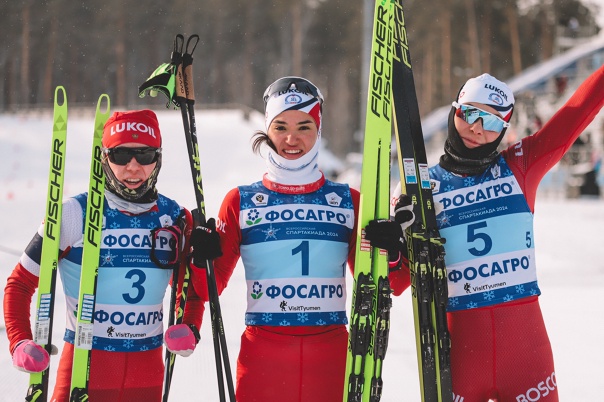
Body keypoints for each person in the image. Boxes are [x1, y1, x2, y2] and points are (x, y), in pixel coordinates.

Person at [379, 66, 604, 401]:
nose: (477, 129)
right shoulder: (420, 189)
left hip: (527, 358)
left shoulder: (520, 166)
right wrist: (392, 250)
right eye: (470, 114)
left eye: (492, 122)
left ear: (504, 130)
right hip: (462, 358)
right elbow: (397, 283)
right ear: (455, 111)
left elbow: (577, 112)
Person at [189, 76, 410, 402]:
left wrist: (392, 253)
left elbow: (395, 284)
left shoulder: (349, 201)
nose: (291, 138)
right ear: (267, 130)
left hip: (331, 359)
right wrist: (200, 257)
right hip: (263, 361)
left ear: (318, 130)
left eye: (304, 127)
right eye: (280, 127)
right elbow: (207, 288)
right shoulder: (241, 202)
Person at [4, 110, 204, 401]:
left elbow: (192, 290)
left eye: (145, 155)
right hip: (83, 375)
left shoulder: (176, 217)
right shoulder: (73, 214)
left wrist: (190, 326)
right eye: (120, 155)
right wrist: (19, 342)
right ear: (104, 158)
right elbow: (19, 284)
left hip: (147, 379)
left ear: (158, 158)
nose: (133, 167)